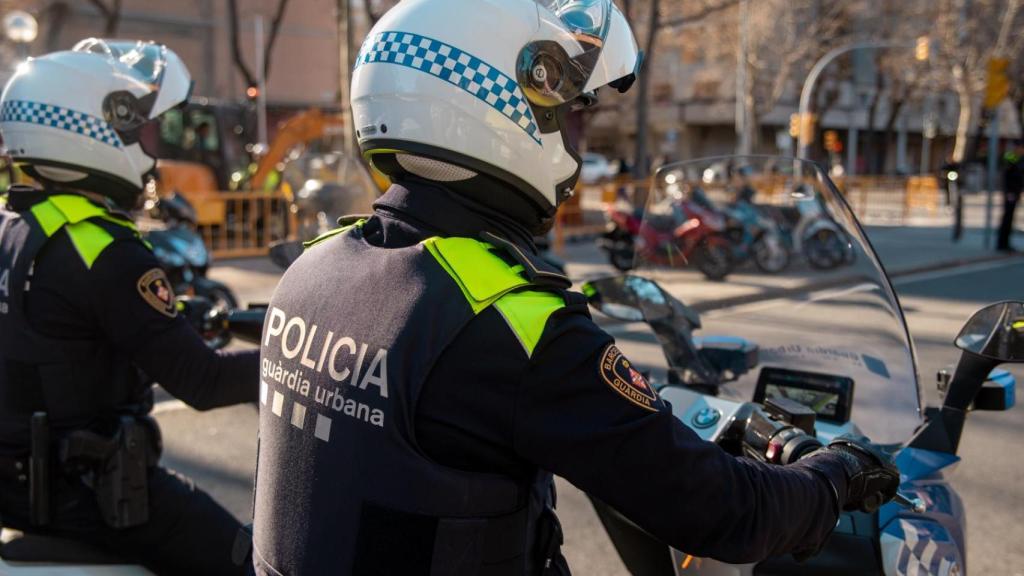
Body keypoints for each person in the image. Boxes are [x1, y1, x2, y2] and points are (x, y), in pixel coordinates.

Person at [251, 2, 900, 575]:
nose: (571, 137)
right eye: (564, 115)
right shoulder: (510, 323)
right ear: (498, 107)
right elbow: (726, 513)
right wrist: (838, 473)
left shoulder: (313, 267)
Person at [0, 39, 257, 575]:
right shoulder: (107, 251)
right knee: (251, 561)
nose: (152, 146)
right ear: (91, 128)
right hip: (96, 499)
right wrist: (301, 360)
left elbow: (57, 328)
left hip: (19, 488)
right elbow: (203, 382)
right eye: (141, 128)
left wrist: (180, 314)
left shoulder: (16, 228)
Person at [997, 141, 1024, 252]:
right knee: (1007, 218)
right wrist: (1009, 192)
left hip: (1015, 192)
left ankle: (1005, 243)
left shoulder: (1019, 158)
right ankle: (1002, 244)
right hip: (1011, 193)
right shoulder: (1012, 157)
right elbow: (1008, 176)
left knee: (1010, 218)